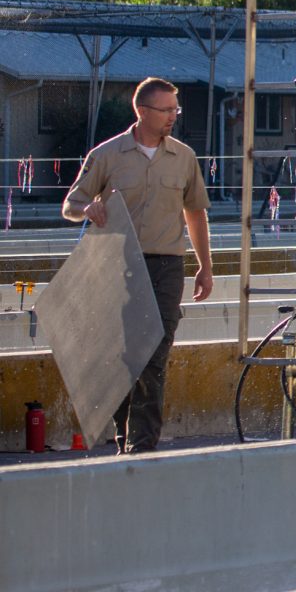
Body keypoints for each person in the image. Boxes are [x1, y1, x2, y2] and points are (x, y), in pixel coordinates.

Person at [63, 77, 213, 453]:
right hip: (119, 264)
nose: (173, 117)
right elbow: (70, 205)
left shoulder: (184, 157)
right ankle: (124, 433)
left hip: (167, 266)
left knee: (155, 351)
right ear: (142, 111)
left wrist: (205, 266)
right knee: (129, 355)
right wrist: (88, 209)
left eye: (175, 110)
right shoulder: (108, 155)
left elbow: (195, 213)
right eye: (166, 110)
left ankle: (143, 444)